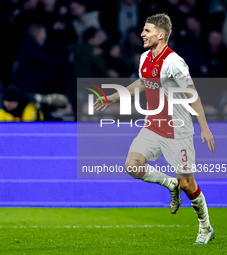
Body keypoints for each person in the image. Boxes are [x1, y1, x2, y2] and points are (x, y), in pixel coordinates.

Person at [94, 13, 215, 245]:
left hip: (177, 130)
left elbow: (192, 93)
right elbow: (142, 82)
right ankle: (168, 183)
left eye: (146, 30)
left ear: (161, 35)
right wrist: (112, 97)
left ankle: (205, 226)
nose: (142, 34)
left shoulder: (174, 62)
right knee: (132, 165)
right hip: (153, 126)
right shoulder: (144, 58)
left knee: (187, 184)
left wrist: (204, 128)